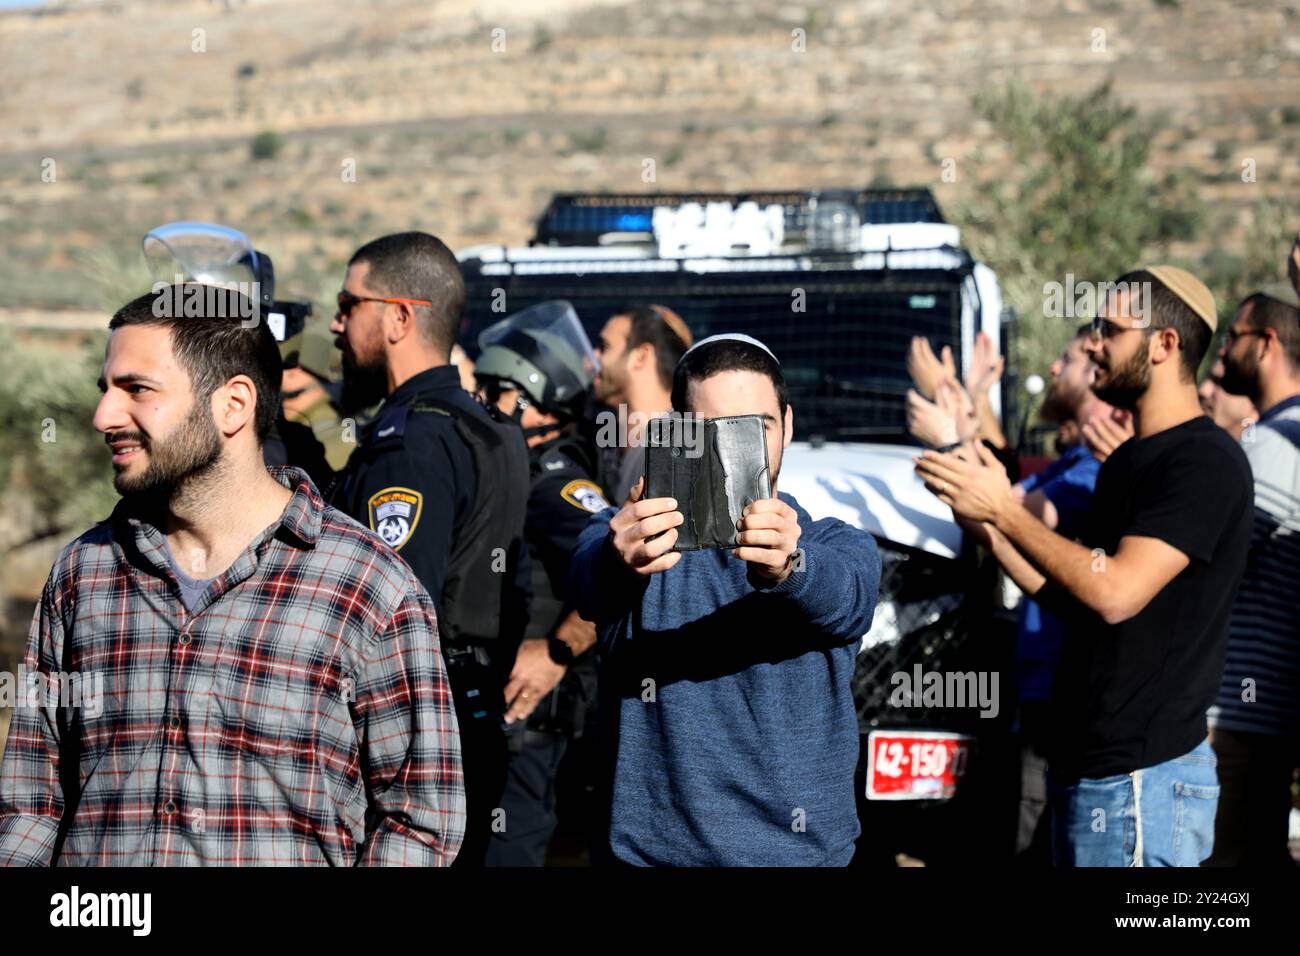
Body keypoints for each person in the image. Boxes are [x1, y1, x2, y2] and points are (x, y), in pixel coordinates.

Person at [0, 284, 464, 866]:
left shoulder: (370, 588)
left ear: (233, 405)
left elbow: (420, 823)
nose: (104, 416)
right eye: (106, 391)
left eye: (136, 390)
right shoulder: (83, 573)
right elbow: (30, 801)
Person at [915, 266, 1253, 867]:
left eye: (1109, 329)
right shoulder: (1129, 464)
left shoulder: (1203, 461)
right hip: (1093, 770)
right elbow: (1075, 595)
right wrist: (989, 529)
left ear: (1165, 344)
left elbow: (1117, 591)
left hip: (1142, 779)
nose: (1093, 341)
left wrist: (1006, 513)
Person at [570, 334, 881, 866]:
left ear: (788, 424)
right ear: (678, 432)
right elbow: (587, 582)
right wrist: (617, 560)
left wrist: (789, 566)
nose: (741, 451)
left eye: (757, 427)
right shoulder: (630, 539)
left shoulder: (836, 544)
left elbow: (845, 595)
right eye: (713, 431)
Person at [328, 231, 529, 867]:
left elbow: (387, 614)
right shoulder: (483, 425)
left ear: (398, 316)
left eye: (348, 303)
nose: (336, 323)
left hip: (413, 737)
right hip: (470, 713)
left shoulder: (410, 444)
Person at [473, 301, 609, 866]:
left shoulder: (552, 482)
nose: (483, 403)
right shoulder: (515, 472)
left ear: (534, 406)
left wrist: (556, 649)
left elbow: (630, 568)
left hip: (533, 724)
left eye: (497, 392)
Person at [1008, 326, 1113, 863]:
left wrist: (954, 439)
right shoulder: (1074, 463)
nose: (1053, 369)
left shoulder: (1095, 468)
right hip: (1042, 686)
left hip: (1062, 688)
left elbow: (1009, 516)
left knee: (1038, 843)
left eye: (1067, 360)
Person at [1204, 284, 1300, 866]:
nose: (1220, 356)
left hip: (1237, 717)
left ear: (1266, 343)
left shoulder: (1275, 441)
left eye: (1232, 338)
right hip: (1261, 712)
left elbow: (1215, 563)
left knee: (1223, 875)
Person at [591, 305, 693, 502]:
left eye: (604, 347)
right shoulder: (611, 445)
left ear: (641, 356)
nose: (592, 358)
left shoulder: (677, 449)